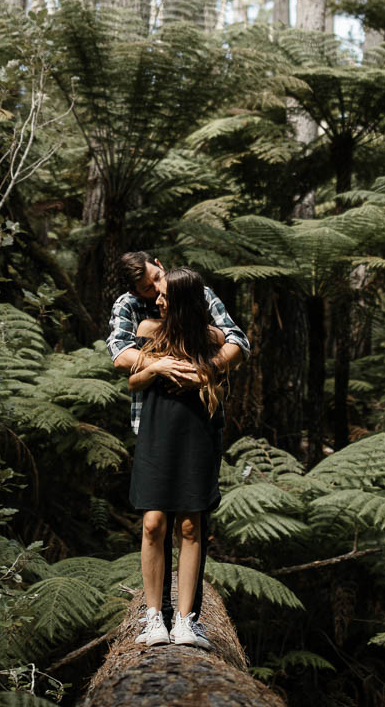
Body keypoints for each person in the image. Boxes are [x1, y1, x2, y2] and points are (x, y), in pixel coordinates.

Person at [108, 254, 248, 648]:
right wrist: (158, 365)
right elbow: (122, 358)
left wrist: (204, 372)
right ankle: (154, 617)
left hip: (198, 425)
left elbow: (236, 340)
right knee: (153, 522)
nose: (156, 296)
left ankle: (187, 620)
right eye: (149, 291)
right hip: (155, 425)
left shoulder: (202, 318)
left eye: (160, 286)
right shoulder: (144, 322)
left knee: (190, 523)